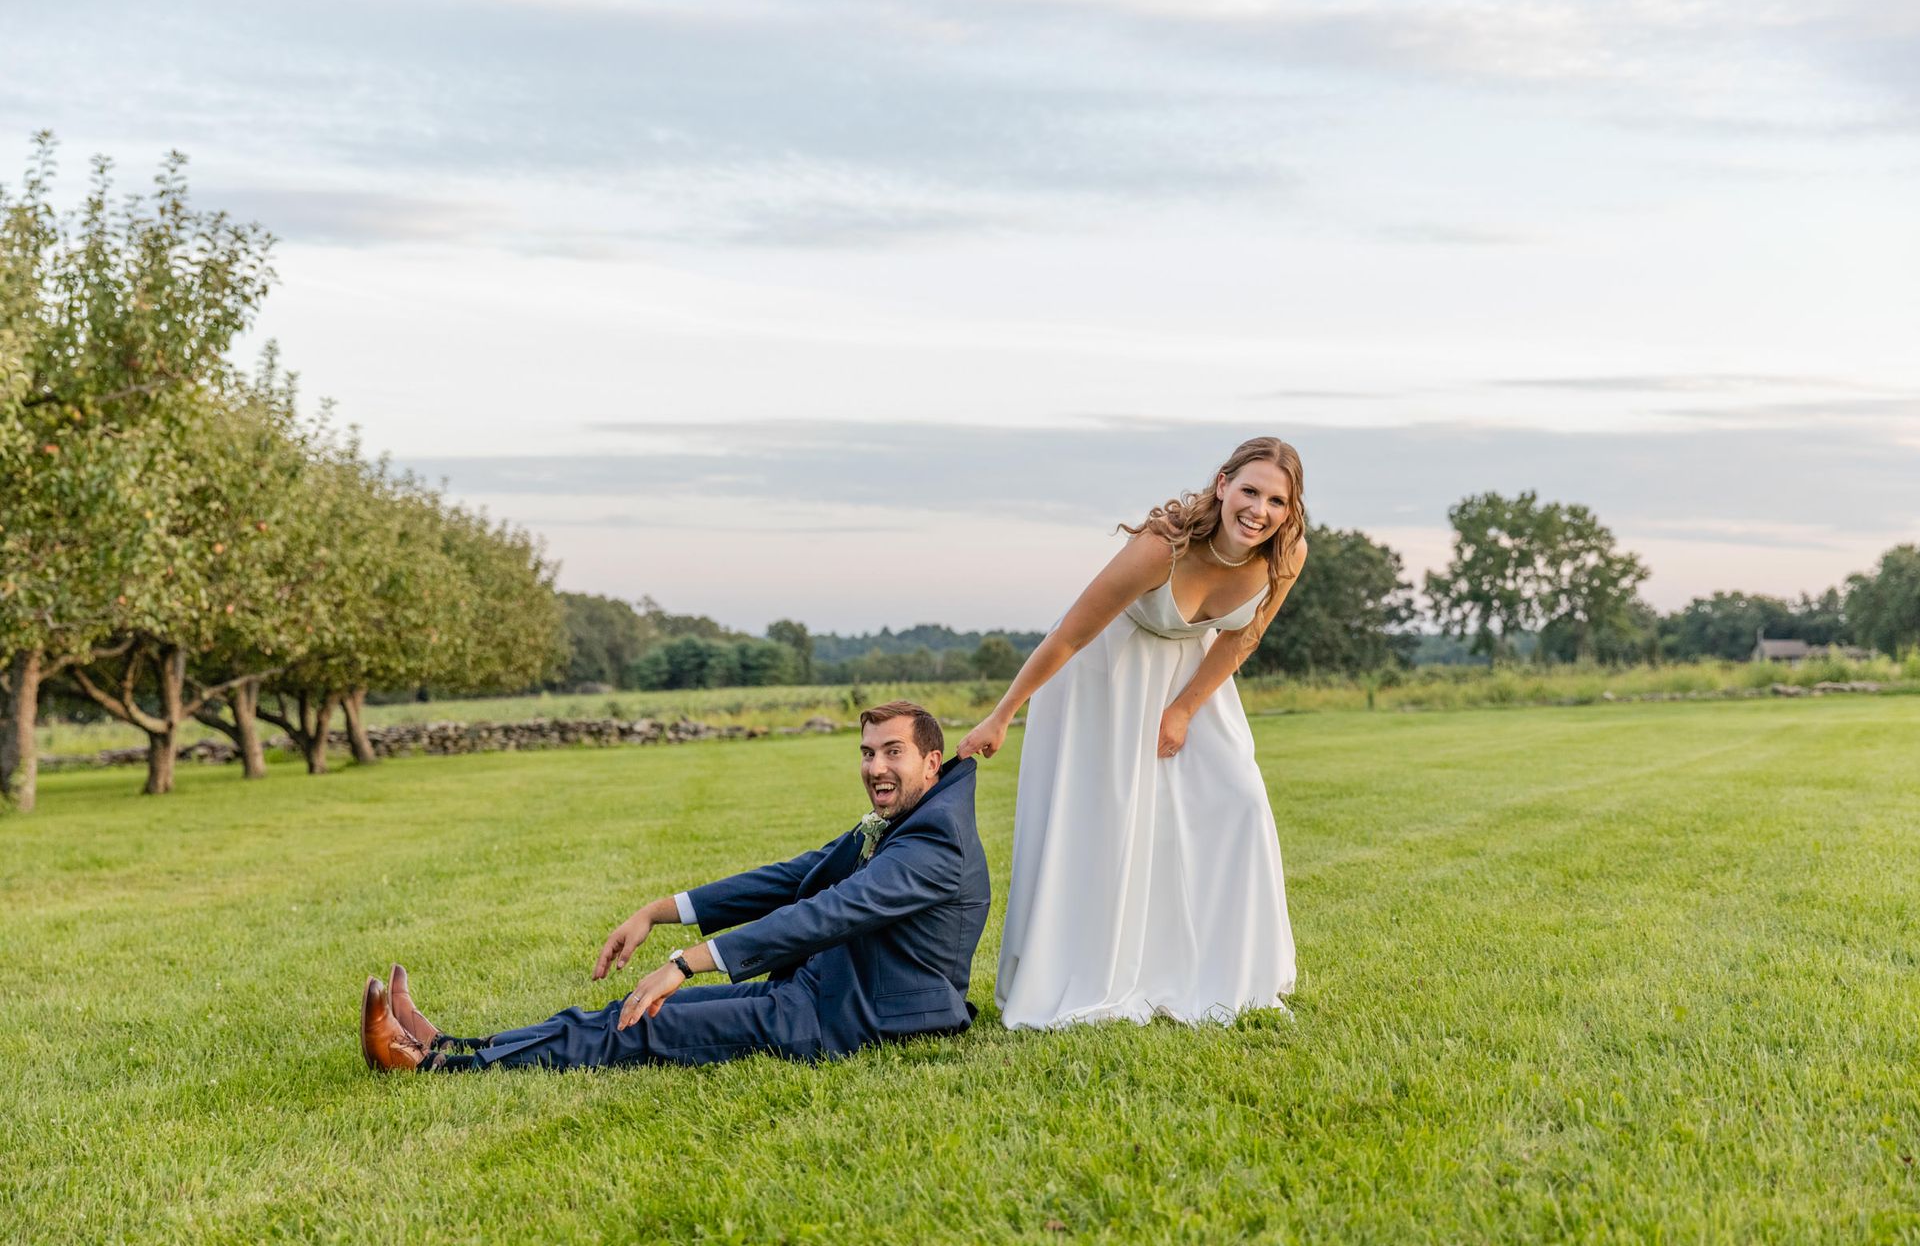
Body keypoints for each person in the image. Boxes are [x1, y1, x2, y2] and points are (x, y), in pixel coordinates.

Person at [360, 701, 990, 1072]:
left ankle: (435, 1065)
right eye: (867, 752)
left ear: (931, 763)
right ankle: (447, 1046)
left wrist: (686, 964)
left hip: (860, 1018)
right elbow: (793, 877)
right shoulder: (908, 819)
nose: (875, 767)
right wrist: (659, 911)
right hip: (824, 989)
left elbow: (828, 912)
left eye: (893, 752)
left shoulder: (934, 842)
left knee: (642, 1026)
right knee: (620, 1012)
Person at [957, 436, 1307, 1029]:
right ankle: (1099, 973)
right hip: (1106, 674)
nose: (1260, 511)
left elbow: (1242, 638)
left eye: (1277, 501)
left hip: (1192, 679)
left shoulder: (1286, 554)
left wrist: (1184, 708)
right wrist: (1003, 713)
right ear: (1223, 485)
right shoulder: (1161, 548)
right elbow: (1069, 635)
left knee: (1240, 800)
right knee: (1115, 823)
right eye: (1250, 491)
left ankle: (1232, 974)